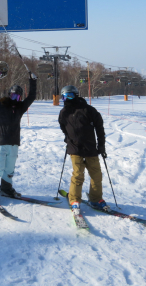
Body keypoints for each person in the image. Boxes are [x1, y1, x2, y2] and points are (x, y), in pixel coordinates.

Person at [0, 73, 37, 201]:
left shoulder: (20, 107)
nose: (15, 98)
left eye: (17, 96)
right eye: (13, 95)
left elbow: (32, 96)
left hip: (14, 143)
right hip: (1, 142)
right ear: (9, 94)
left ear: (20, 97)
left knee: (9, 170)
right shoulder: (0, 106)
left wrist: (32, 81)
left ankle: (6, 189)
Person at [58, 85, 109, 213]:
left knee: (96, 175)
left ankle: (95, 199)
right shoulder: (64, 113)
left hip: (91, 148)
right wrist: (68, 139)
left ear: (76, 95)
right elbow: (64, 128)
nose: (67, 99)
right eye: (64, 96)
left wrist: (101, 145)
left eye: (70, 96)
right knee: (78, 174)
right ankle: (74, 200)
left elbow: (100, 128)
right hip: (75, 148)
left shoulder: (89, 110)